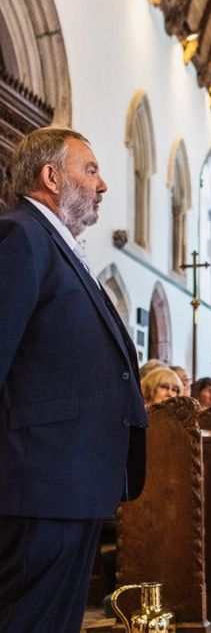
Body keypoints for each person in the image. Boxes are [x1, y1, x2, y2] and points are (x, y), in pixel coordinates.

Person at [0, 127, 147, 632]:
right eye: (91, 170)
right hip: (38, 483)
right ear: (51, 177)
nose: (103, 184)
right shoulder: (21, 235)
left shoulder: (54, 243)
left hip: (68, 480)